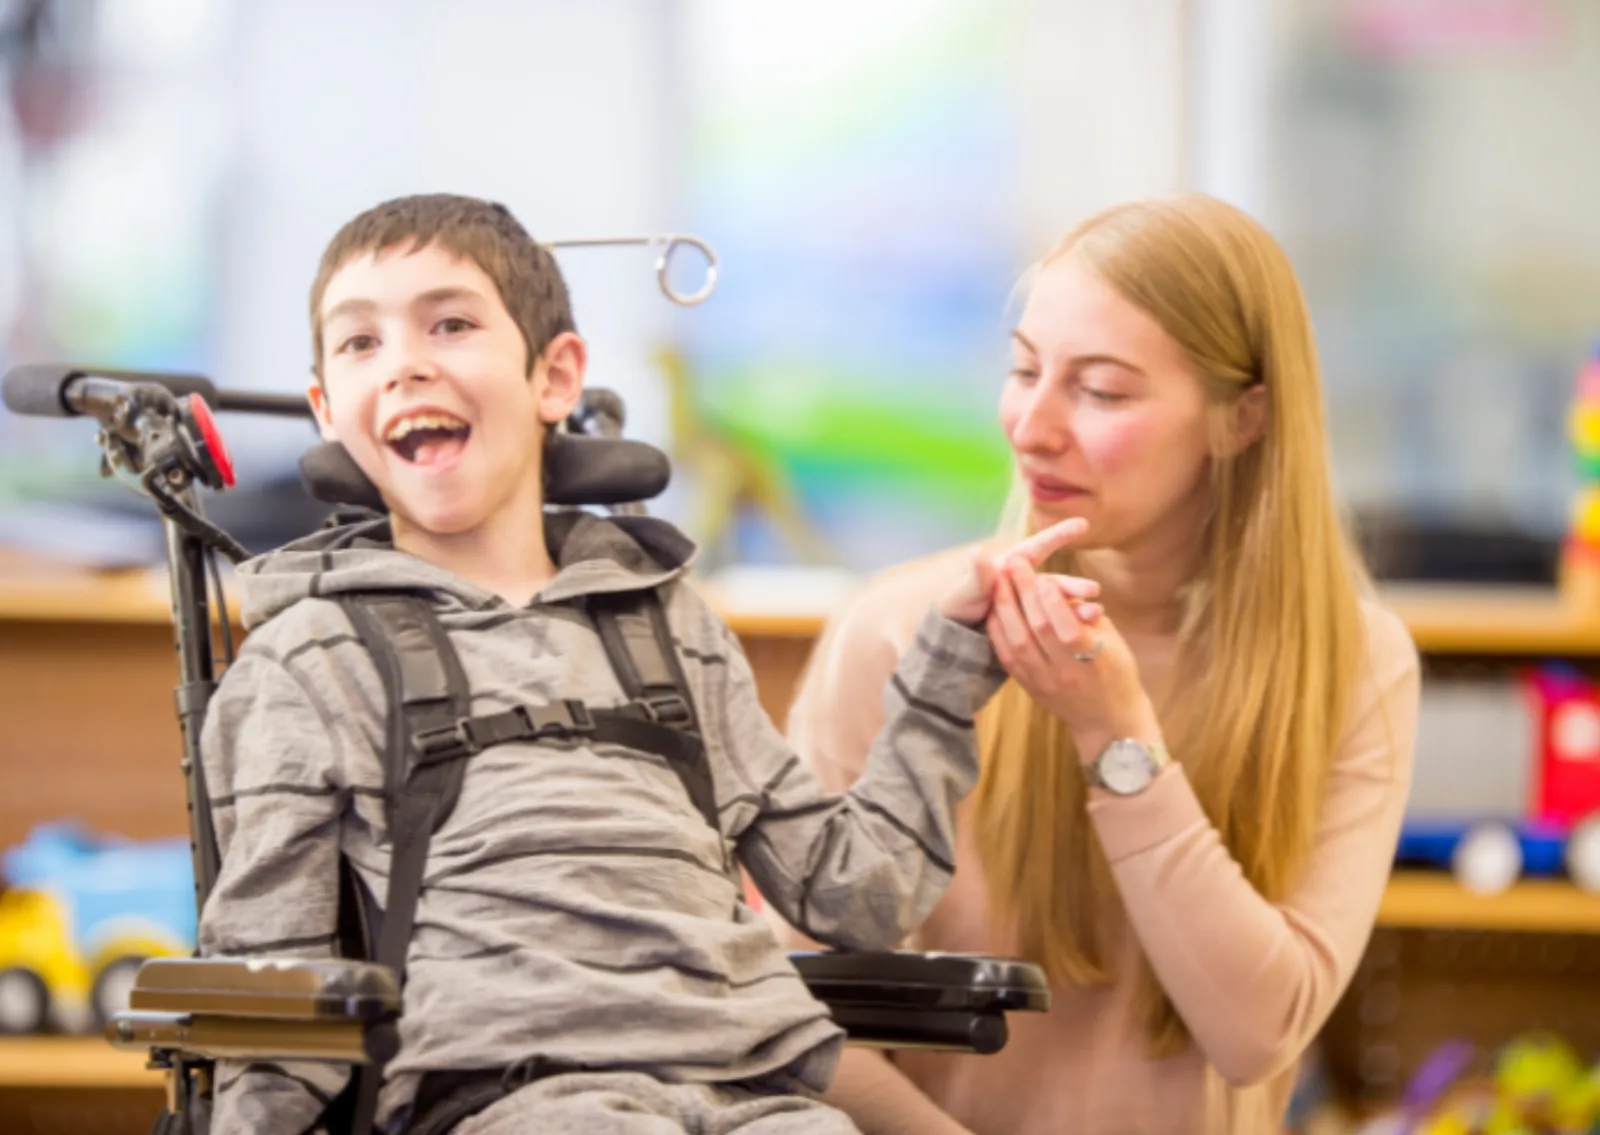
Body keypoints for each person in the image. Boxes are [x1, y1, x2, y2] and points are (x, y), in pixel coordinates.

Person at [194, 193, 1087, 1135]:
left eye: (450, 324)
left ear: (557, 375)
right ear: (329, 412)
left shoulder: (669, 628)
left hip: (755, 1085)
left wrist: (947, 668)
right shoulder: (309, 658)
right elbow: (270, 991)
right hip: (516, 1092)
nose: (407, 361)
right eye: (360, 342)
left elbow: (852, 891)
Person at [785, 193, 1422, 1135]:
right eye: (1024, 370)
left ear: (1242, 418)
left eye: (1103, 389)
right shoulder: (895, 632)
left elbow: (1257, 1033)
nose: (1031, 427)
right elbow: (790, 1012)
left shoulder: (1357, 664)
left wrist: (1116, 736)